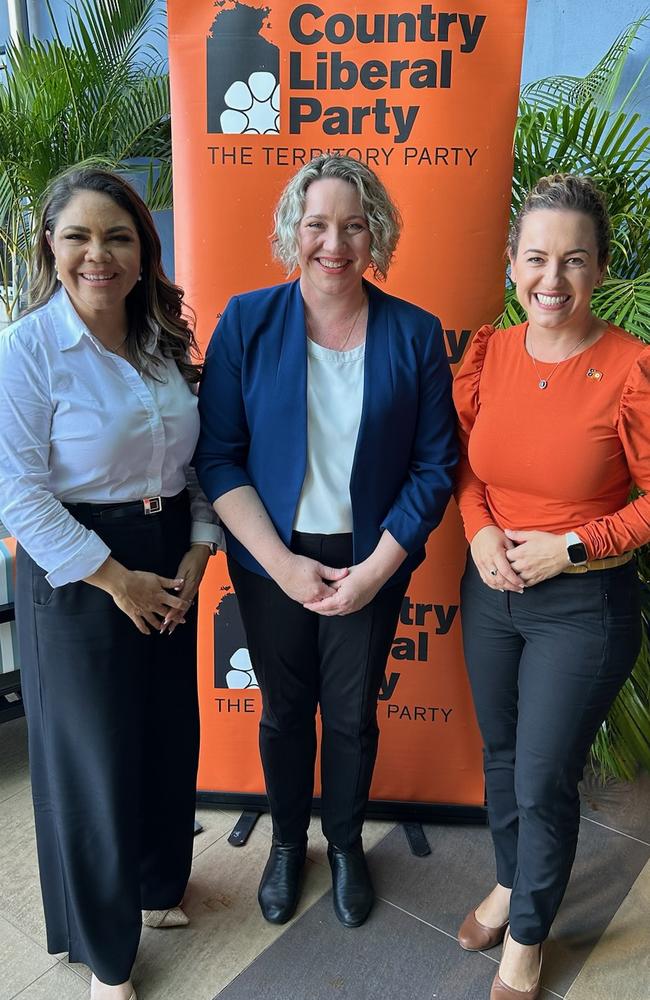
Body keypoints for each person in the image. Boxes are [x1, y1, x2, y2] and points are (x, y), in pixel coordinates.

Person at [195, 154, 457, 929]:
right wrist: (278, 565)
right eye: (317, 225)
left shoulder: (413, 332)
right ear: (293, 232)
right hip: (272, 555)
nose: (334, 242)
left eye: (352, 224)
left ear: (376, 232)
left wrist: (377, 570)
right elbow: (218, 456)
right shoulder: (247, 321)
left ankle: (343, 843)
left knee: (350, 716)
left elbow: (435, 465)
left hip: (372, 560)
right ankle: (286, 843)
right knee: (282, 712)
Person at [0, 167, 222, 1000]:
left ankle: (161, 887)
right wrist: (118, 579)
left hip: (168, 546)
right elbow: (17, 490)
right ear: (51, 247)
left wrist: (199, 550)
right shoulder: (27, 350)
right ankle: (104, 957)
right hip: (80, 565)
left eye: (119, 236)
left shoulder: (164, 336)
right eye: (79, 236)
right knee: (94, 758)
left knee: (167, 730)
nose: (100, 254)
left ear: (143, 250)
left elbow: (195, 459)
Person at [453, 173, 650, 1000]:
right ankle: (509, 881)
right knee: (500, 758)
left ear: (601, 267)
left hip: (584, 607)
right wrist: (481, 531)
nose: (552, 279)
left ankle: (529, 933)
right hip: (489, 591)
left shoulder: (633, 368)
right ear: (510, 264)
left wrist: (571, 546)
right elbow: (464, 468)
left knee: (542, 775)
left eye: (574, 260)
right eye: (536, 258)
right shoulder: (487, 355)